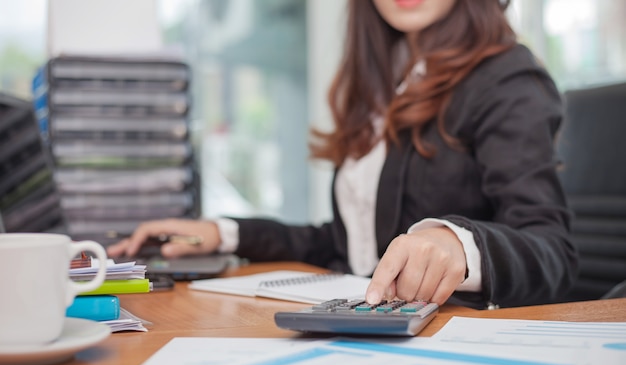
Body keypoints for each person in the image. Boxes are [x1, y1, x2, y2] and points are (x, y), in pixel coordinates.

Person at [107, 0, 577, 310]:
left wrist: (460, 245)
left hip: (451, 343)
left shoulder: (507, 80)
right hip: (366, 330)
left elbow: (553, 251)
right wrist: (223, 232)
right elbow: (345, 248)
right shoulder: (383, 87)